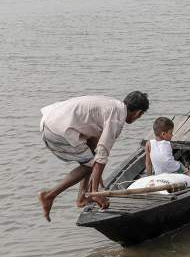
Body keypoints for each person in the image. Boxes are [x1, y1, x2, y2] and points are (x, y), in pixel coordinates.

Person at [37, 91, 150, 220]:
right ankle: (49, 195)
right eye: (140, 116)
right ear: (138, 113)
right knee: (91, 164)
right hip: (58, 128)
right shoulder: (116, 117)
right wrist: (96, 192)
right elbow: (102, 153)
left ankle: (82, 197)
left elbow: (93, 144)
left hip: (50, 121)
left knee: (90, 160)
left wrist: (97, 173)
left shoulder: (112, 105)